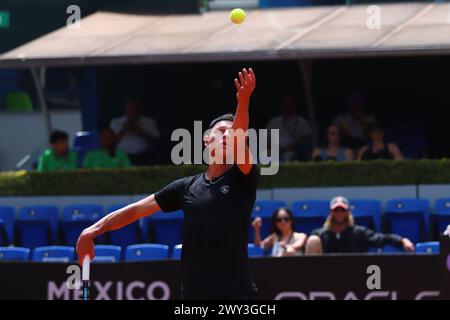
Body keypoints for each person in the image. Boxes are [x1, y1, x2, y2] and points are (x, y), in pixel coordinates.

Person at [77, 68, 258, 300]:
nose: (228, 137)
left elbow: (239, 138)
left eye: (233, 133)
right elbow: (135, 211)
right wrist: (93, 230)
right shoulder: (185, 188)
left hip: (237, 297)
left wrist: (243, 103)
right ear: (206, 139)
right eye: (222, 131)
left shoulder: (242, 178)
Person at [305, 196, 415, 254]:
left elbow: (381, 238)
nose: (339, 213)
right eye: (336, 210)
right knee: (313, 240)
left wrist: (402, 240)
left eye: (342, 210)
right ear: (331, 212)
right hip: (326, 273)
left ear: (347, 212)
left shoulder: (359, 232)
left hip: (353, 273)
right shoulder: (319, 234)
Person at [110, 99, 161, 165]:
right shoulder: (115, 122)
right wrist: (123, 131)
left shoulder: (149, 122)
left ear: (139, 109)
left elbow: (158, 142)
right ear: (125, 110)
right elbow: (109, 144)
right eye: (129, 109)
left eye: (134, 109)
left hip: (144, 158)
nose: (131, 111)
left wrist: (142, 133)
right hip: (121, 157)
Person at [266, 95, 312, 162]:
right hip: (274, 153)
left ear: (294, 104)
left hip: (294, 155)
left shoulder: (302, 122)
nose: (288, 105)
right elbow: (265, 140)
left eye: (290, 102)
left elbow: (307, 142)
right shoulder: (274, 122)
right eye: (286, 102)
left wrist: (294, 146)